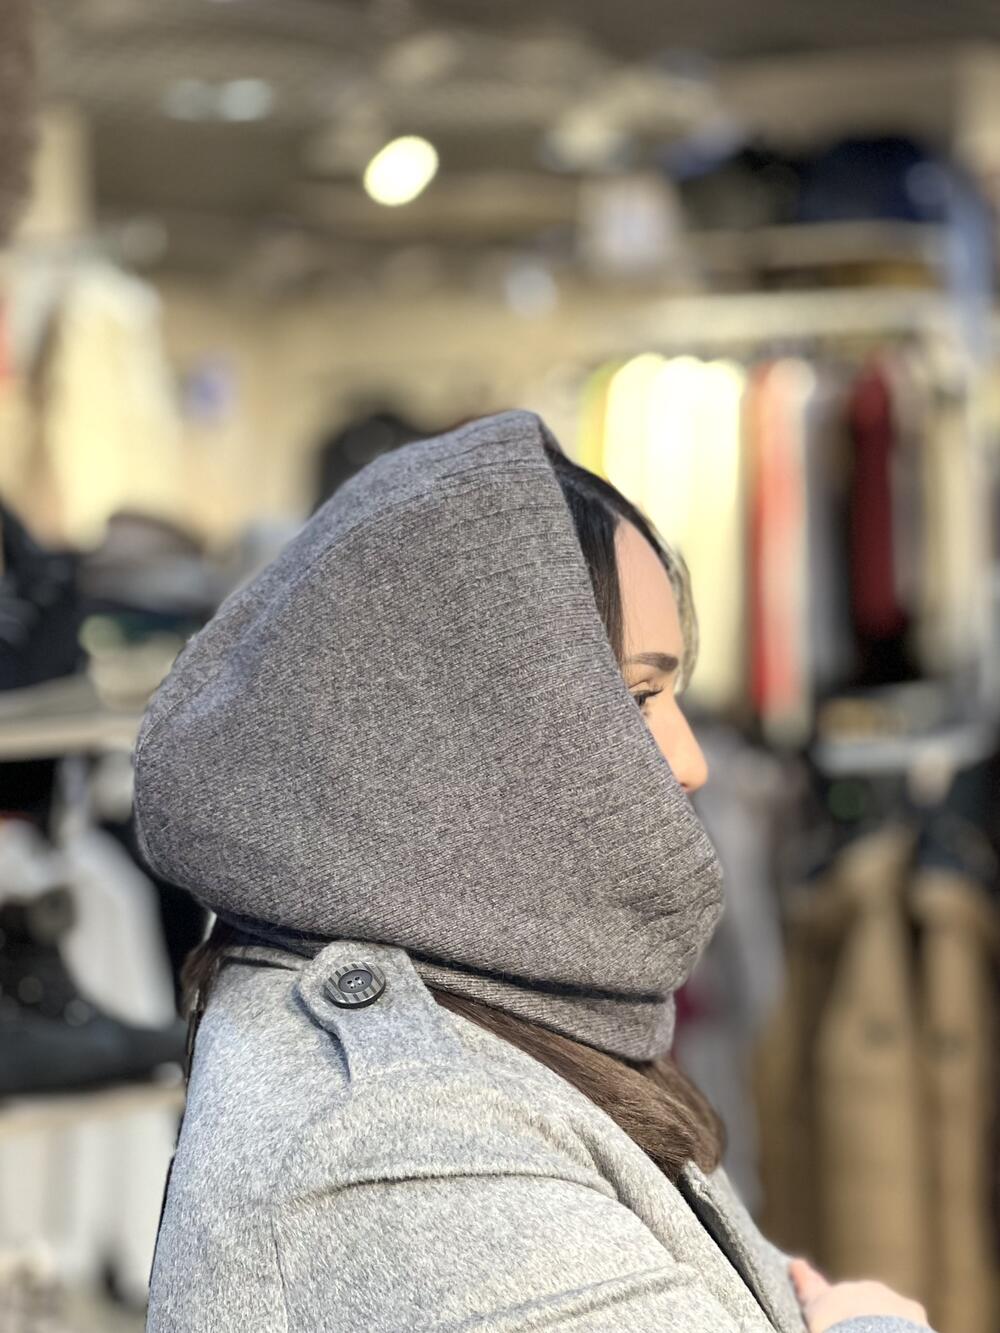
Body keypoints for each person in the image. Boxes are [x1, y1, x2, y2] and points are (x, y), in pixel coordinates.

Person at [133, 410, 933, 1332]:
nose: (689, 760)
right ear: (462, 729)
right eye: (639, 695)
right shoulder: (400, 1148)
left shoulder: (480, 1018)